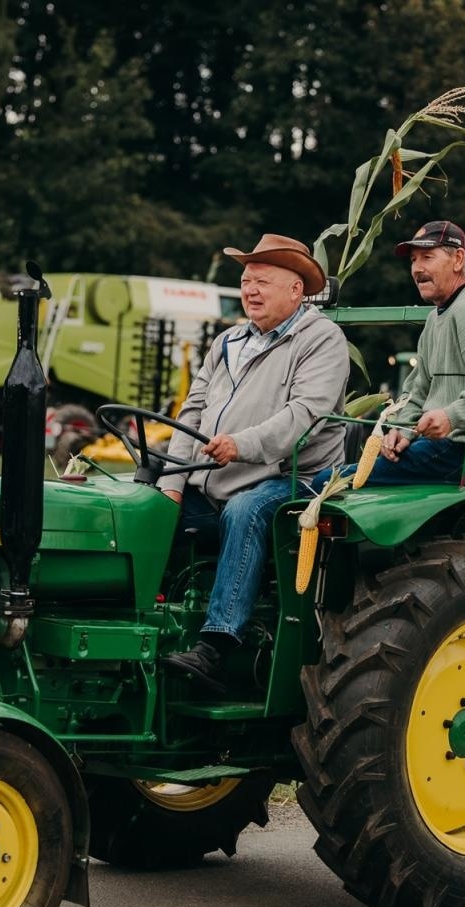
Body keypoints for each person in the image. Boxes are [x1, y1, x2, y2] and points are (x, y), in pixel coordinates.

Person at [156, 234, 350, 692]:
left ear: (296, 290)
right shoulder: (229, 340)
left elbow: (304, 417)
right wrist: (171, 483)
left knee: (248, 509)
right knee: (144, 503)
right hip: (221, 475)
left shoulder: (322, 340)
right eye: (246, 281)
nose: (251, 290)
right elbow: (192, 411)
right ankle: (153, 619)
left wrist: (240, 445)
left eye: (263, 281)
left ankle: (218, 646)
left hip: (297, 478)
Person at [322, 220, 465, 488]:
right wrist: (402, 429)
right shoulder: (436, 317)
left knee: (328, 481)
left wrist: (452, 416)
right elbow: (418, 390)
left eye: (428, 257)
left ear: (458, 259)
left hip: (461, 455)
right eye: (413, 260)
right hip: (437, 450)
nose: (417, 268)